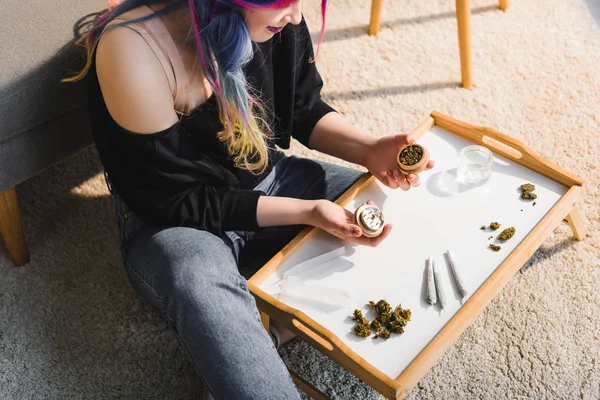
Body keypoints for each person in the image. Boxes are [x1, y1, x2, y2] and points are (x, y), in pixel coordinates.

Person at [65, 0, 434, 398]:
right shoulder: (133, 48)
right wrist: (307, 212)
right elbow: (175, 201)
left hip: (268, 178)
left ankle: (261, 329)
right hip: (177, 223)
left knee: (401, 219)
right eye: (284, 5)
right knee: (198, 283)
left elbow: (301, 106)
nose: (295, 16)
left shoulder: (274, 14)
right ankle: (257, 323)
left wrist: (370, 148)